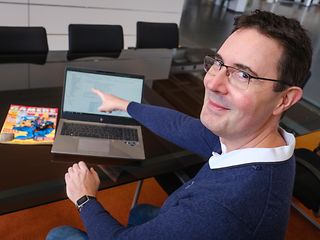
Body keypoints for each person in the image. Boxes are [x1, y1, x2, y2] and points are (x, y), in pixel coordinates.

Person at [46, 10, 312, 240]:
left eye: (243, 74)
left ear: (285, 99)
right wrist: (124, 104)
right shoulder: (264, 142)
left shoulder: (219, 209)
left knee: (59, 234)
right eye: (218, 63)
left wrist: (84, 198)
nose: (211, 82)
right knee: (140, 213)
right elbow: (183, 127)